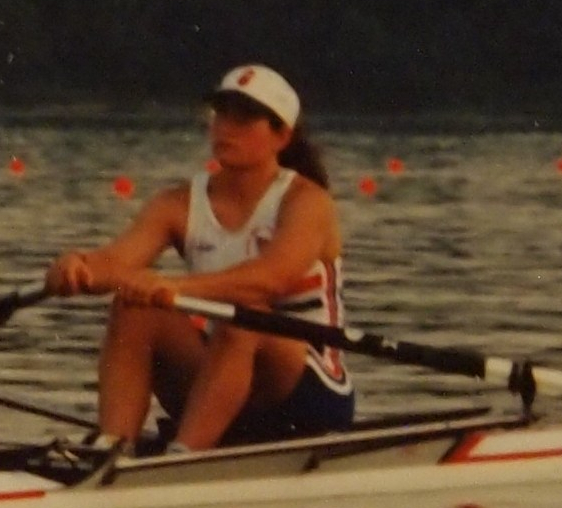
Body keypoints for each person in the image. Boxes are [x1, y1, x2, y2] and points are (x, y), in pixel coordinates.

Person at [45, 65, 353, 452]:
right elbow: (117, 262)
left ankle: (184, 455)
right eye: (221, 113)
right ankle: (110, 449)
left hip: (307, 393)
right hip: (221, 377)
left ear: (282, 136)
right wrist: (79, 266)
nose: (226, 126)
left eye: (244, 117)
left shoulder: (307, 202)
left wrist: (173, 287)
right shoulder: (178, 203)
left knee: (243, 314)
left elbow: (270, 278)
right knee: (133, 306)